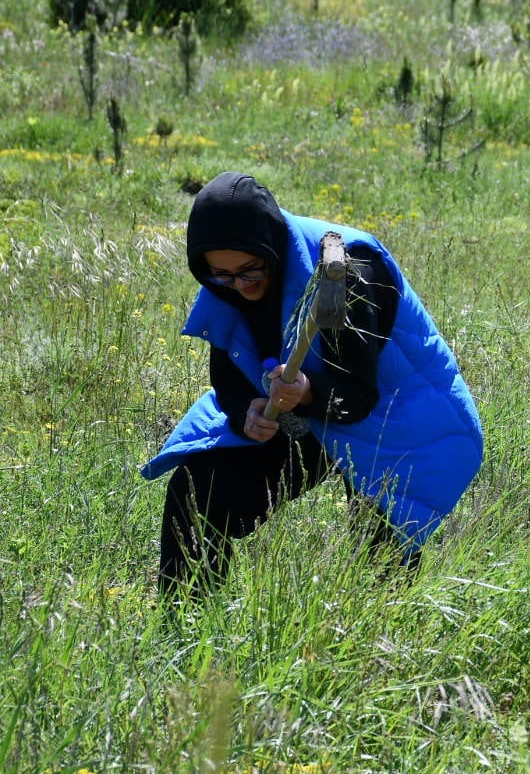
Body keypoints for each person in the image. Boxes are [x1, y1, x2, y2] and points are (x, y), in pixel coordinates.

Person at [142, 172, 483, 595]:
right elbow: (229, 378)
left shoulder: (347, 271)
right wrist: (246, 410)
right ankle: (184, 628)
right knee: (197, 488)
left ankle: (382, 648)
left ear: (270, 247)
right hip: (298, 407)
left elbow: (357, 397)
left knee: (384, 544)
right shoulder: (225, 281)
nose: (241, 288)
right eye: (223, 276)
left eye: (250, 273)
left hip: (388, 410)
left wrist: (307, 392)